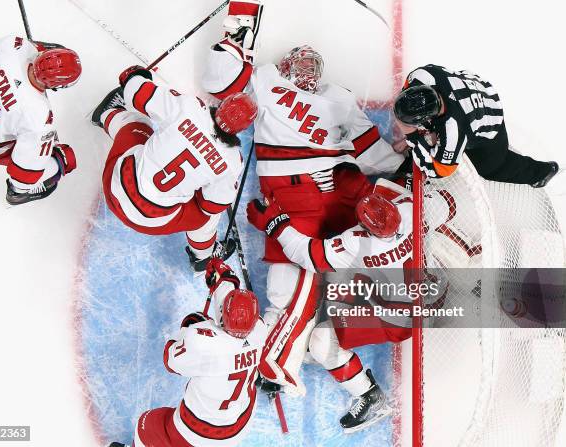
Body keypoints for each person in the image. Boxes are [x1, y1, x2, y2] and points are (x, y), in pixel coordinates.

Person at [202, 0, 404, 395]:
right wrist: (235, 34)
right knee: (295, 292)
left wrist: (399, 163)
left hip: (324, 198)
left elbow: (370, 151)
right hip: (292, 199)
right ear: (286, 66)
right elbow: (220, 84)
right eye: (302, 63)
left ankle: (278, 364)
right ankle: (288, 362)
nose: (308, 71)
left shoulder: (339, 97)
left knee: (294, 291)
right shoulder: (266, 82)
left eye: (314, 65)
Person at [247, 178, 450, 433]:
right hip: (432, 294)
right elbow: (448, 202)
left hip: (398, 318)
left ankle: (370, 397)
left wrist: (273, 223)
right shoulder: (412, 207)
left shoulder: (356, 241)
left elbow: (307, 255)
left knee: (322, 342)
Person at [91, 66, 257, 270]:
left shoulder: (189, 107)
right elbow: (211, 206)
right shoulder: (232, 162)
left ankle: (107, 113)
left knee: (139, 123)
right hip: (150, 220)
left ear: (223, 105)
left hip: (116, 185)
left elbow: (135, 92)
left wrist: (136, 76)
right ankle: (202, 256)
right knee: (209, 216)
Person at [108, 259, 268, 447]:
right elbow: (232, 320)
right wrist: (225, 281)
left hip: (200, 433)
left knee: (148, 425)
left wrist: (187, 328)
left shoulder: (200, 342)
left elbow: (170, 360)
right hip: (241, 421)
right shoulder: (260, 329)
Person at [0, 35, 81, 205]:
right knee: (63, 158)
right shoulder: (39, 117)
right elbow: (24, 171)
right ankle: (18, 193)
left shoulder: (13, 46)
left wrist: (30, 50)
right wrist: (21, 186)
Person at [394, 64, 559, 187]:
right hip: (473, 88)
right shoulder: (421, 76)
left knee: (492, 166)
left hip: (489, 114)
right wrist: (413, 134)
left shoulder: (454, 130)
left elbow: (440, 169)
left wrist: (412, 137)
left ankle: (541, 173)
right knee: (431, 140)